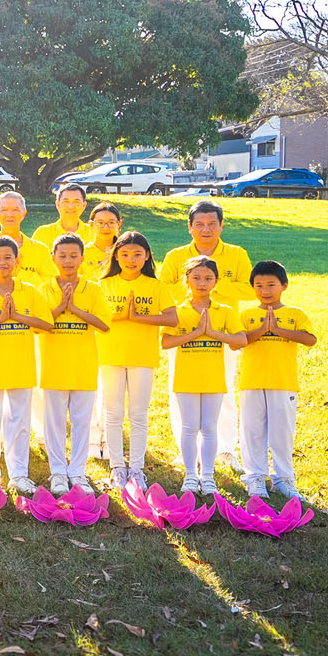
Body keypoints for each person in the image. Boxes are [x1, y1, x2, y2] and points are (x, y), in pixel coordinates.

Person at [162, 198, 255, 472]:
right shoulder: (176, 256)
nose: (206, 229)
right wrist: (193, 285)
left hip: (223, 331)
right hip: (183, 330)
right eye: (199, 224)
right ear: (189, 227)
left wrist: (214, 284)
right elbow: (162, 290)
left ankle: (225, 449)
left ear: (221, 225)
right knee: (180, 390)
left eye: (212, 223)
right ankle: (186, 450)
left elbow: (249, 289)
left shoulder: (236, 254)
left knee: (223, 389)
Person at [0, 236, 53, 493]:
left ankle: (18, 474)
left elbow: (47, 325)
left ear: (18, 260)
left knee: (19, 422)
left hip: (21, 366)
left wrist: (17, 316)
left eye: (7, 257)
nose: (2, 262)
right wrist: (1, 319)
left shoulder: (30, 292)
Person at [95, 231, 176, 489]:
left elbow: (172, 318)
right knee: (113, 413)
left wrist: (139, 317)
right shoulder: (103, 285)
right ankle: (117, 467)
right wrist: (123, 316)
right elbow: (94, 317)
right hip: (110, 355)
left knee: (139, 414)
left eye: (137, 254)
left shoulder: (155, 286)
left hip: (142, 357)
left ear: (147, 256)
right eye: (125, 254)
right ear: (116, 256)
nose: (131, 259)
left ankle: (137, 469)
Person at [163, 257, 247, 495]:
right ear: (186, 280)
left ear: (216, 281)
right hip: (186, 379)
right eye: (196, 278)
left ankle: (208, 476)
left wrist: (212, 333)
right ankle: (191, 474)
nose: (202, 283)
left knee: (210, 428)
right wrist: (196, 333)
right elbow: (166, 342)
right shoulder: (178, 312)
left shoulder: (224, 311)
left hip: (213, 379)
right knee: (189, 427)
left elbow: (240, 340)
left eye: (208, 278)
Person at [37, 236, 110, 495]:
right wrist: (61, 307)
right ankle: (58, 471)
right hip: (54, 365)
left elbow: (104, 324)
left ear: (82, 258)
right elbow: (38, 325)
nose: (68, 261)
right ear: (53, 258)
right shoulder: (44, 289)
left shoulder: (93, 290)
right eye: (62, 256)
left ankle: (77, 471)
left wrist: (76, 310)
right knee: (54, 423)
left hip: (83, 366)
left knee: (82, 422)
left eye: (73, 256)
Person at [238, 260, 316, 502]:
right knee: (252, 431)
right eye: (259, 285)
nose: (265, 290)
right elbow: (237, 342)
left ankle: (284, 479)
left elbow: (310, 339)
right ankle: (255, 477)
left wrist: (278, 330)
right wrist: (262, 329)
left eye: (271, 284)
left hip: (283, 382)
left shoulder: (295, 314)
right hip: (252, 382)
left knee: (282, 432)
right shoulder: (247, 315)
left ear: (284, 285)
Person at [0, 192, 53, 289]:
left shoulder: (41, 250)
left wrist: (20, 273)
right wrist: (3, 274)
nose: (9, 214)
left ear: (24, 213)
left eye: (15, 210)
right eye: (4, 210)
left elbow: (50, 286)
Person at [82, 202, 122, 279]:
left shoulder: (125, 252)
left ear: (119, 224)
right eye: (100, 223)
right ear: (91, 225)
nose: (106, 228)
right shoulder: (82, 253)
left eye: (111, 222)